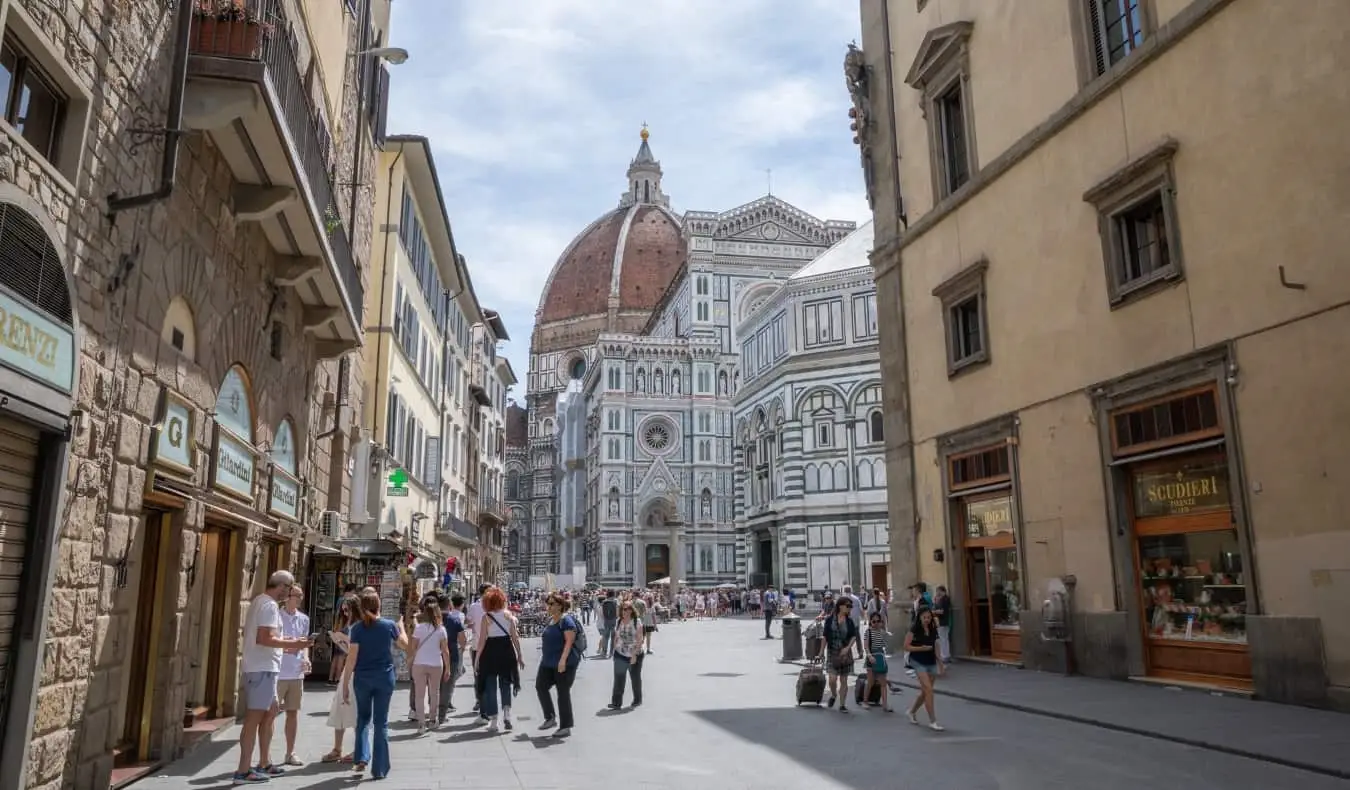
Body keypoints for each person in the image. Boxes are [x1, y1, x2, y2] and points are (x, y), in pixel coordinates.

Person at [233, 571, 311, 786]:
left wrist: (288, 642)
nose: (289, 592)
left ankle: (264, 762)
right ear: (283, 586)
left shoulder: (260, 602)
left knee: (271, 713)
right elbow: (264, 638)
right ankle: (242, 770)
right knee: (253, 719)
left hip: (265, 667)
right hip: (262, 669)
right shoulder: (268, 606)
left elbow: (265, 637)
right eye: (289, 587)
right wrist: (294, 645)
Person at [343, 591, 409, 779]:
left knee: (363, 719)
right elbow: (405, 645)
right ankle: (379, 769)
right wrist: (402, 627)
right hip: (384, 677)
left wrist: (346, 682)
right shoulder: (389, 625)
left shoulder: (356, 629)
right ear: (378, 605)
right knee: (381, 722)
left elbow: (351, 658)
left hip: (362, 679)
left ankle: (362, 756)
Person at [475, 587, 524, 733]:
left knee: (490, 687)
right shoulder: (509, 615)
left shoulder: (487, 617)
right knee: (506, 684)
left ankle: (494, 721)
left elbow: (482, 640)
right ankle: (507, 715)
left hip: (490, 652)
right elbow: (514, 637)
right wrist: (519, 654)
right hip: (506, 650)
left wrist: (477, 658)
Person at [537, 592, 581, 737]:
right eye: (548, 603)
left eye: (552, 604)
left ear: (560, 606)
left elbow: (569, 642)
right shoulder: (550, 620)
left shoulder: (566, 620)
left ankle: (566, 727)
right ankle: (550, 717)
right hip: (547, 662)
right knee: (540, 686)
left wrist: (562, 660)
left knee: (563, 693)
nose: (548, 606)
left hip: (564, 663)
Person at [322, 596, 359, 764]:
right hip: (347, 670)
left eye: (347, 610)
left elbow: (357, 650)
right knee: (339, 707)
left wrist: (345, 641)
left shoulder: (359, 627)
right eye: (343, 610)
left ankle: (358, 748)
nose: (345, 613)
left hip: (356, 672)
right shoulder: (348, 626)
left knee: (355, 710)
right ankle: (337, 748)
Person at [277, 586, 311, 767]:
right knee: (270, 715)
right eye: (297, 596)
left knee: (293, 713)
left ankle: (290, 753)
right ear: (287, 597)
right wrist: (286, 647)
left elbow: (304, 643)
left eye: (301, 595)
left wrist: (306, 659)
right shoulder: (277, 617)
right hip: (278, 672)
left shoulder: (303, 619)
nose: (300, 598)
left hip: (296, 673)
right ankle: (264, 757)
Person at [410, 597, 451, 735]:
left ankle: (421, 723)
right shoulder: (441, 630)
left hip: (419, 663)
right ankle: (433, 720)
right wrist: (448, 668)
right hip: (436, 664)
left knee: (419, 695)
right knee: (435, 693)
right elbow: (445, 651)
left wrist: (410, 661)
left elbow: (413, 647)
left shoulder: (419, 628)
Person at [905, 606, 945, 730]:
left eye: (929, 617)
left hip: (930, 660)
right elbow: (906, 646)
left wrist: (940, 663)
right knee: (928, 690)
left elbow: (936, 645)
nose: (927, 620)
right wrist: (921, 648)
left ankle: (911, 711)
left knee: (926, 691)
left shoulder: (933, 628)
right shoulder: (914, 629)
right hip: (917, 660)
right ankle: (933, 721)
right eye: (924, 617)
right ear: (919, 617)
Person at [822, 595, 859, 713]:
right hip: (832, 652)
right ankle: (833, 695)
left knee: (844, 680)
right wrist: (820, 652)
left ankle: (842, 705)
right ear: (840, 606)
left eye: (851, 606)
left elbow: (854, 636)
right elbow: (825, 636)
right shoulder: (829, 620)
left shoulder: (849, 621)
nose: (850, 608)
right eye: (848, 606)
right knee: (832, 679)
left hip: (844, 654)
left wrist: (848, 648)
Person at [608, 599, 645, 710]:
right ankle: (616, 703)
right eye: (624, 608)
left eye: (628, 608)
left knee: (635, 678)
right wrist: (614, 648)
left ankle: (637, 699)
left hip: (635, 654)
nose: (625, 611)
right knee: (619, 678)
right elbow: (616, 635)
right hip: (620, 653)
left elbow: (640, 639)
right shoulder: (619, 621)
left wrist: (634, 655)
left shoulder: (636, 621)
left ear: (631, 610)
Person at [438, 593, 468, 722]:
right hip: (452, 655)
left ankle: (432, 712)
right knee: (447, 687)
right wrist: (461, 648)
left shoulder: (433, 620)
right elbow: (463, 640)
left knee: (435, 686)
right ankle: (441, 715)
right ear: (449, 605)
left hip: (435, 656)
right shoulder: (454, 620)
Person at [863, 612, 893, 712]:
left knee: (883, 683)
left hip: (880, 657)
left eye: (878, 621)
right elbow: (866, 646)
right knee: (870, 681)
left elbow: (886, 644)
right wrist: (869, 656)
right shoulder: (868, 632)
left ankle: (885, 705)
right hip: (871, 657)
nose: (876, 623)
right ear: (870, 622)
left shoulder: (882, 632)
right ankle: (865, 701)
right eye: (873, 621)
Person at [932, 585, 952, 666]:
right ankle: (946, 655)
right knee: (944, 639)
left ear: (941, 591)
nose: (937, 593)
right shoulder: (943, 599)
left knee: (943, 639)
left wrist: (934, 612)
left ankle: (945, 656)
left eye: (938, 591)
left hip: (942, 622)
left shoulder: (944, 599)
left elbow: (942, 611)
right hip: (943, 622)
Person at [597, 590, 619, 658]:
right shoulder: (616, 601)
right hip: (613, 621)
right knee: (613, 638)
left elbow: (602, 613)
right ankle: (611, 653)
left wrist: (606, 618)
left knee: (605, 637)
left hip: (606, 621)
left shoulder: (604, 602)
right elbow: (617, 612)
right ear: (613, 594)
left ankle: (604, 652)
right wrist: (616, 617)